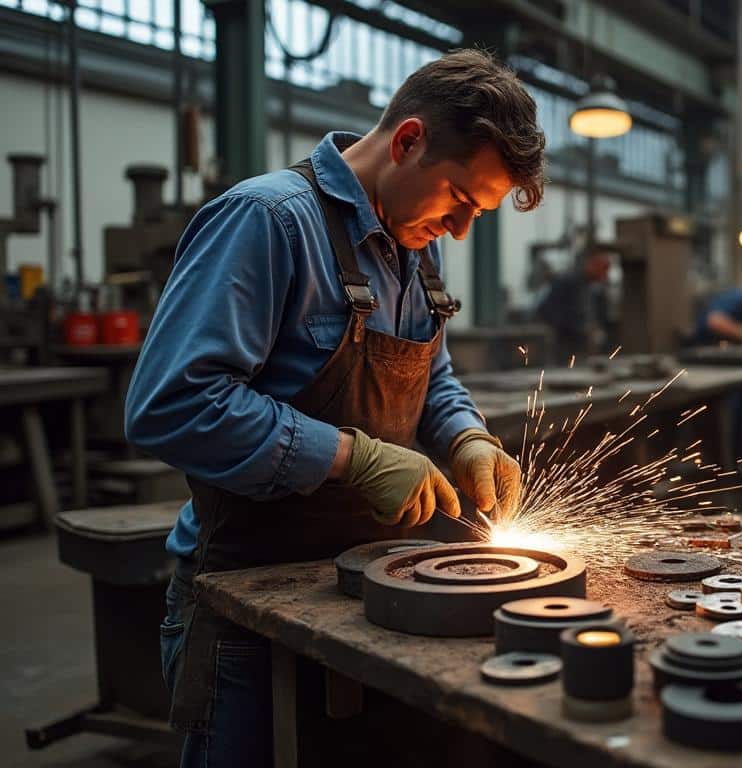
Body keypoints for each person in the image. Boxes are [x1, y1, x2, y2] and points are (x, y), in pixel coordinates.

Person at [124, 50, 545, 768]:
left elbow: (432, 375)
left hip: (363, 593)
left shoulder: (413, 247)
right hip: (245, 604)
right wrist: (353, 457)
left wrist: (467, 435)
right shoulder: (267, 221)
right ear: (407, 140)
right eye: (459, 201)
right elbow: (171, 402)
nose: (461, 229)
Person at [534, 248, 613, 364]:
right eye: (603, 269)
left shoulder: (593, 288)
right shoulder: (568, 282)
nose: (605, 274)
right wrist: (579, 328)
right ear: (591, 264)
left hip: (580, 347)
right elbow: (547, 311)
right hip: (564, 344)